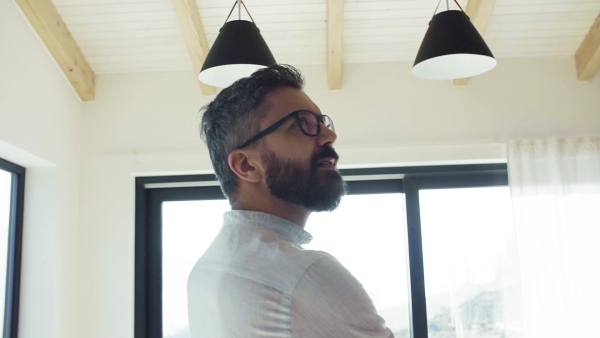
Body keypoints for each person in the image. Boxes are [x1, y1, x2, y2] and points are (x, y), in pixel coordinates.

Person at [187, 64, 394, 337]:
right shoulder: (305, 274)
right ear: (247, 165)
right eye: (301, 124)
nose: (330, 136)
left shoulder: (204, 271)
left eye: (321, 122)